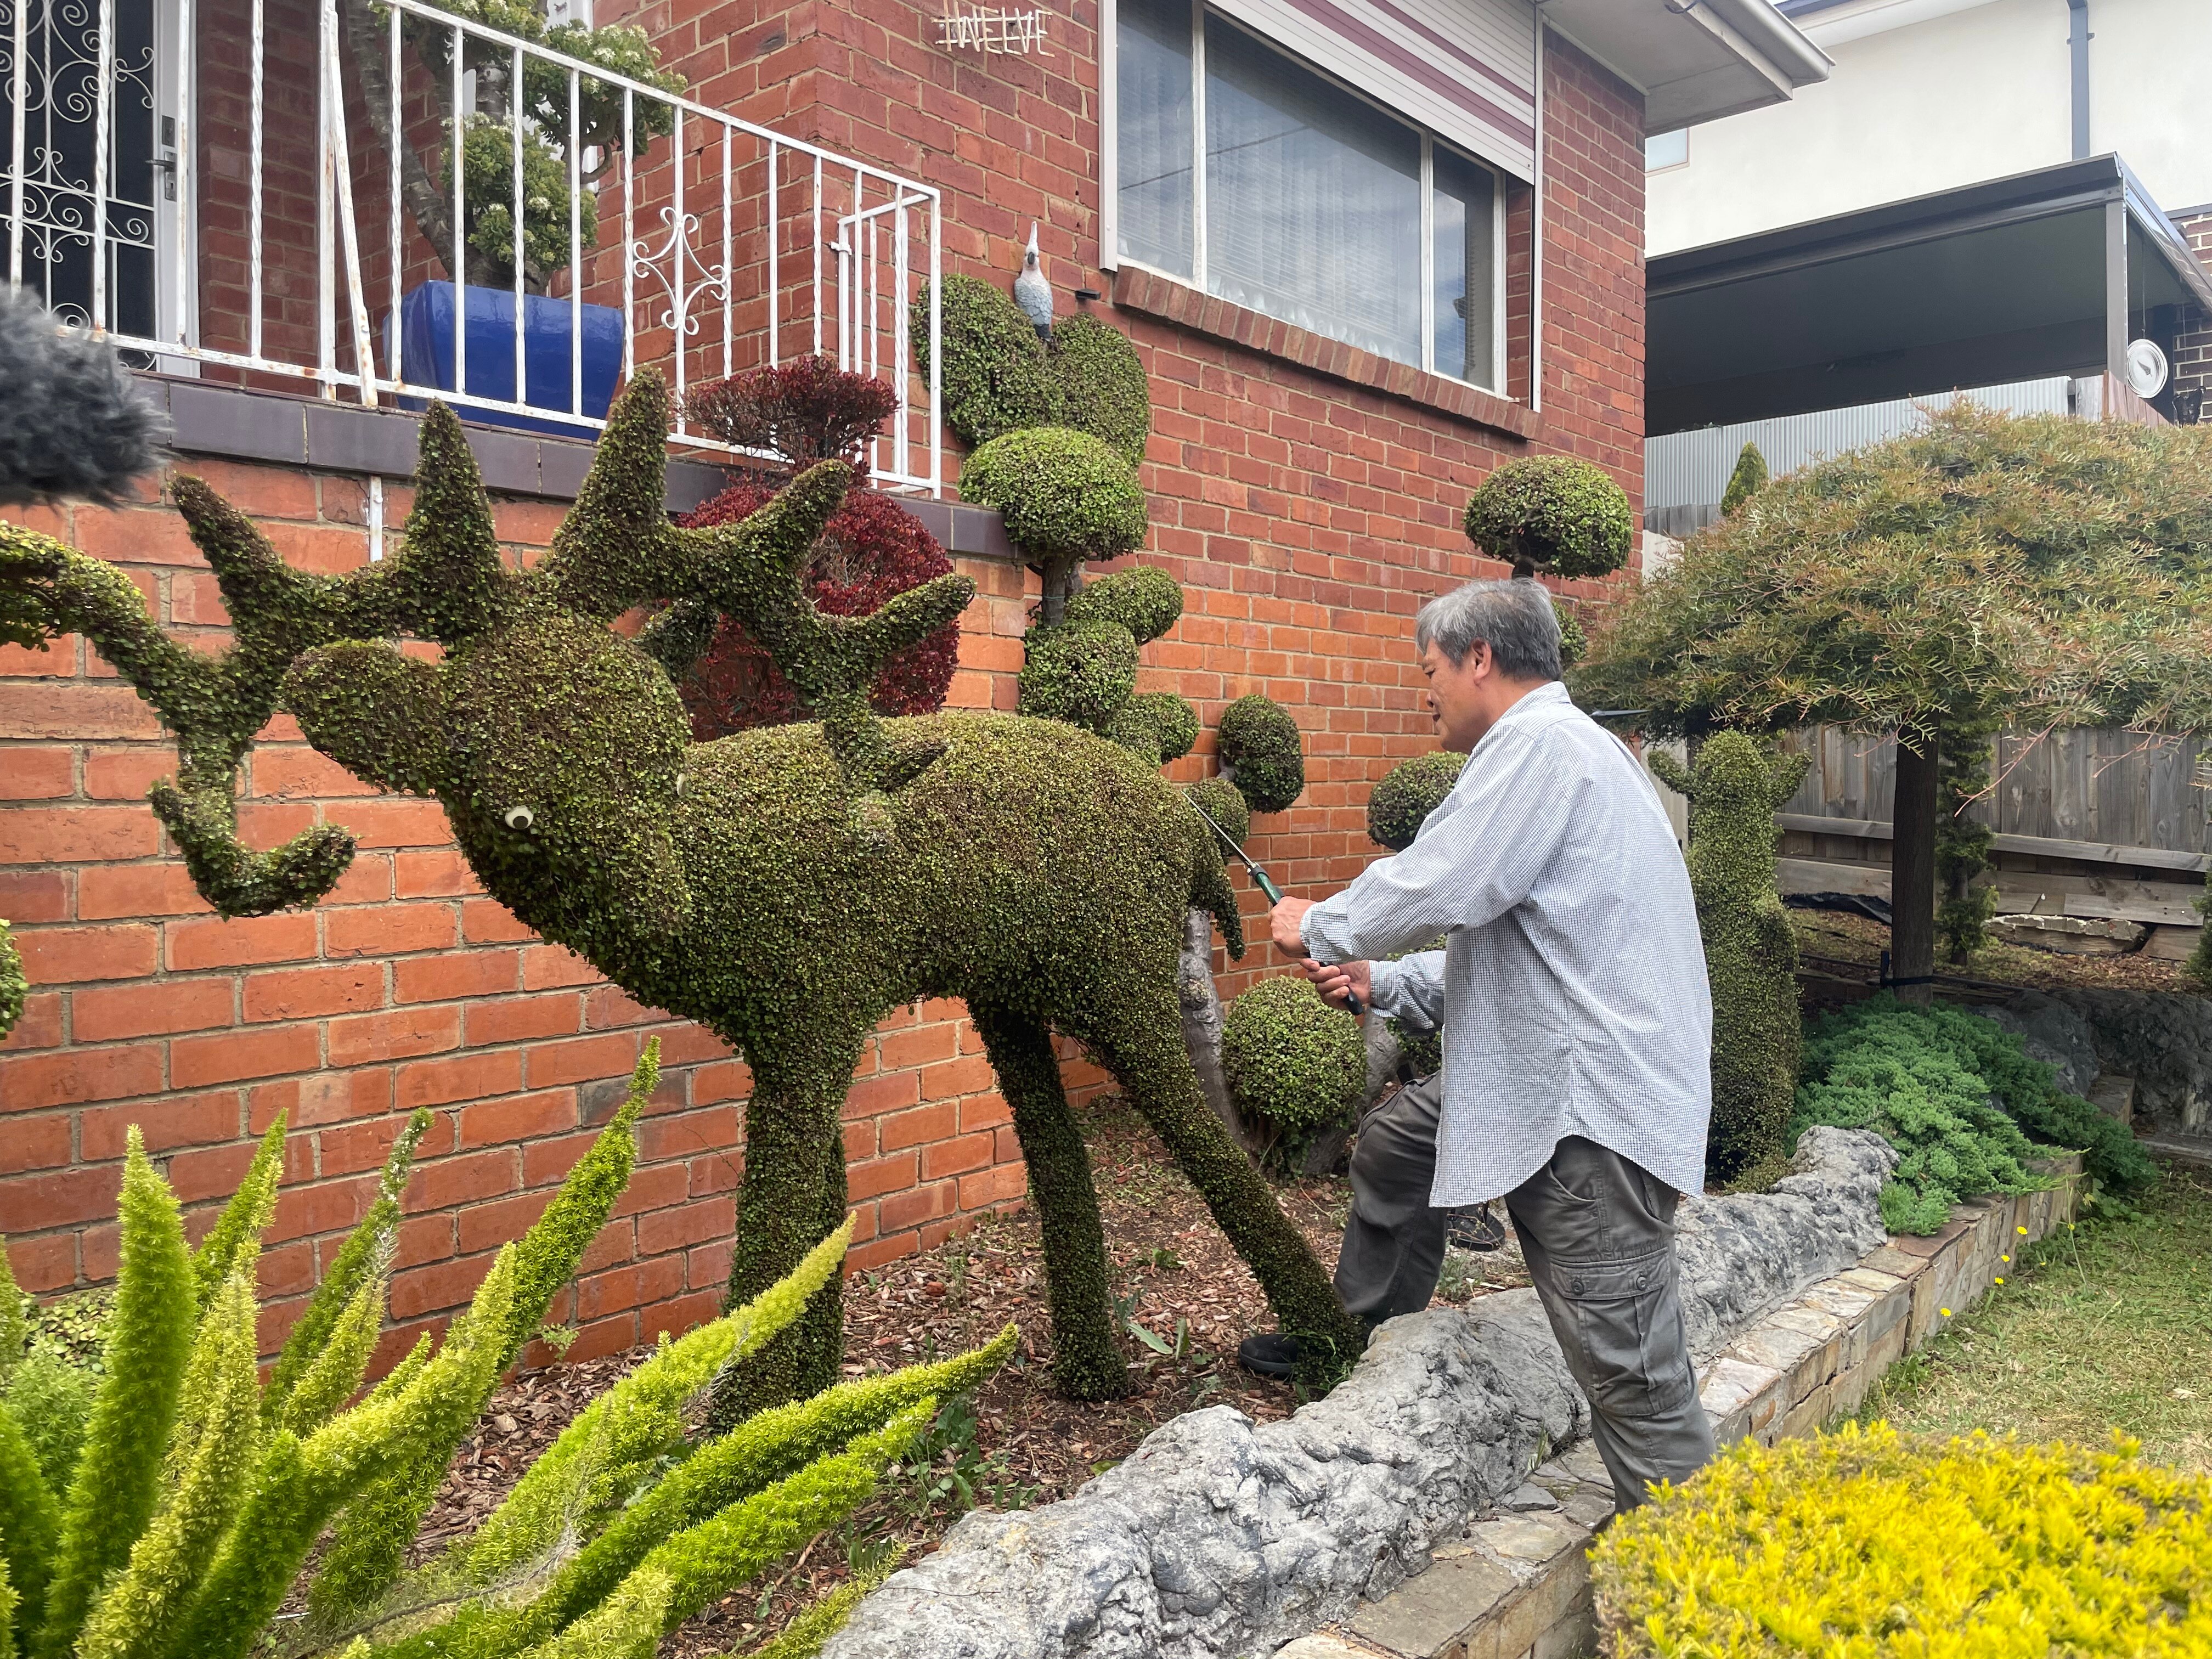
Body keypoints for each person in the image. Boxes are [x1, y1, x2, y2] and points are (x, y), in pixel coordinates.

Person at [1238, 577, 1716, 1512]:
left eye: (1430, 671)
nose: (1426, 693)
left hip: (1585, 1113)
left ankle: (1704, 1578)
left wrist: (1322, 925)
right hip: (1547, 1071)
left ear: (1480, 659)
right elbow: (1521, 948)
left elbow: (1444, 881)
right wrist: (1384, 981)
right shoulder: (1579, 751)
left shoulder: (1537, 748)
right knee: (1397, 1143)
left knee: (1635, 1380)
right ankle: (1365, 1340)